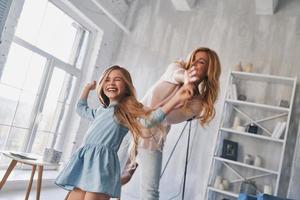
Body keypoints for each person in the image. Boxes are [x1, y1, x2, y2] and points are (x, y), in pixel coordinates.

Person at [55, 65, 194, 200]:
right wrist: (86, 89)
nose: (111, 82)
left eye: (117, 79)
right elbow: (80, 108)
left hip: (102, 165)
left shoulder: (125, 112)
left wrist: (176, 99)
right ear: (102, 85)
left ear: (127, 87)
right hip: (85, 162)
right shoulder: (100, 111)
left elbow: (150, 120)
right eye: (108, 79)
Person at [120, 47, 221, 200]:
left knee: (150, 193)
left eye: (201, 62)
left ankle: (134, 161)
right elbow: (176, 75)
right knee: (113, 176)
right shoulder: (176, 68)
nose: (194, 63)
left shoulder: (197, 103)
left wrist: (184, 95)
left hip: (152, 139)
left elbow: (162, 118)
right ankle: (130, 165)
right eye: (193, 58)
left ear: (209, 71)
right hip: (130, 124)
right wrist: (186, 80)